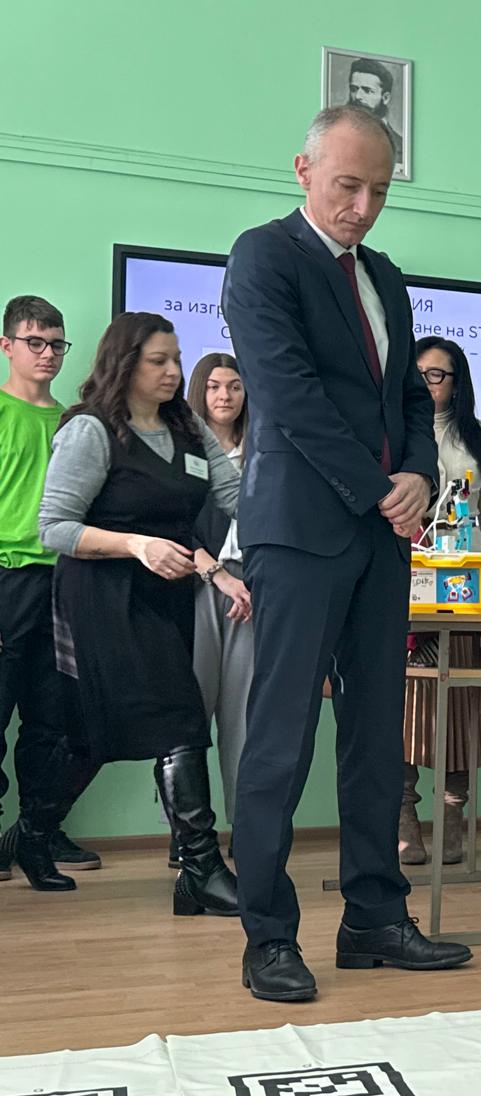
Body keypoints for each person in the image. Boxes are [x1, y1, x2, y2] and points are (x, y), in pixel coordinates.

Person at [223, 105, 470, 1003]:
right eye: (347, 185)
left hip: (379, 536)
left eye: (379, 191)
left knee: (377, 735)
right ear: (303, 170)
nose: (363, 207)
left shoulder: (387, 278)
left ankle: (374, 916)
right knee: (280, 737)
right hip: (299, 530)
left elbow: (409, 396)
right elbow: (288, 396)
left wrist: (418, 474)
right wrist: (377, 488)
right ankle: (268, 934)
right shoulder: (264, 256)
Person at [37, 312, 241, 916]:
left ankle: (30, 830)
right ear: (125, 364)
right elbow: (54, 528)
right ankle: (201, 866)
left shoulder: (187, 427)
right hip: (102, 596)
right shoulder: (91, 430)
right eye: (159, 361)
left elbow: (237, 497)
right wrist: (137, 545)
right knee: (179, 718)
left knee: (94, 732)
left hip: (166, 598)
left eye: (176, 358)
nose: (174, 371)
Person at [397, 337, 481, 865]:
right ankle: (404, 815)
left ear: (456, 383)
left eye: (437, 375)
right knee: (404, 707)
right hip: (410, 584)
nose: (427, 384)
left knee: (462, 706)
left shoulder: (478, 436)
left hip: (468, 588)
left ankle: (453, 814)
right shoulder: (396, 428)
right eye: (418, 373)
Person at [0, 295, 99, 889]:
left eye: (56, 344)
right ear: (7, 345)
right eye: (34, 342)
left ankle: (34, 836)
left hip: (62, 581)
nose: (48, 354)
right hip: (5, 577)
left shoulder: (72, 422)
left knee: (52, 719)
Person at [179, 353, 253, 866]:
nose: (224, 396)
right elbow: (169, 523)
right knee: (189, 712)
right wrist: (211, 571)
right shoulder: (180, 448)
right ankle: (188, 833)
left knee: (244, 718)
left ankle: (247, 830)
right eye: (213, 386)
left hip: (252, 590)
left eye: (234, 386)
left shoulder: (265, 449)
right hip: (195, 584)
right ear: (199, 392)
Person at [346, 58, 403, 163]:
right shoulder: (337, 137)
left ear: (385, 98)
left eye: (368, 91)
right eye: (354, 89)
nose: (358, 96)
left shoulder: (401, 148)